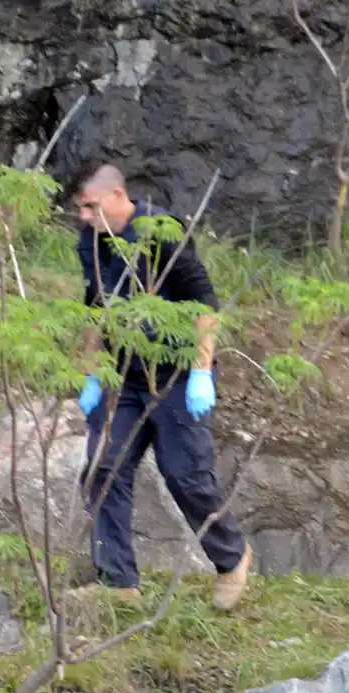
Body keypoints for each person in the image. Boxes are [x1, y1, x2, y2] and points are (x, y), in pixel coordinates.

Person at [71, 164, 252, 611]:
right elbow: (95, 306)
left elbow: (204, 302)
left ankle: (232, 558)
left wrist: (201, 373)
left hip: (175, 374)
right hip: (122, 376)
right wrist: (92, 373)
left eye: (90, 206)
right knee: (103, 467)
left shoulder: (162, 232)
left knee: (185, 474)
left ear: (117, 195)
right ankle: (118, 582)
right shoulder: (91, 241)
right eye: (80, 209)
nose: (85, 217)